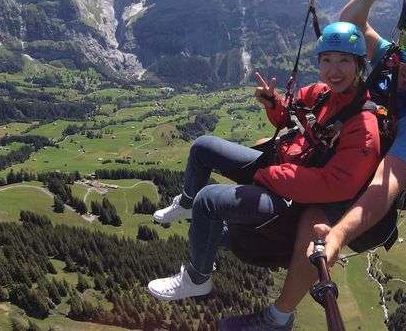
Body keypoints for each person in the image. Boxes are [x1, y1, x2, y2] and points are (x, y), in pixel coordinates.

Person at [220, 0, 406, 330]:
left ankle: (278, 318)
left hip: (365, 186)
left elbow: (384, 186)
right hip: (347, 153)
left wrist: (338, 235)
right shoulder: (391, 61)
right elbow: (352, 24)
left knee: (314, 221)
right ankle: (242, 230)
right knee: (266, 148)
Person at [146, 22, 382, 320]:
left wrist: (273, 176)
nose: (333, 70)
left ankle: (197, 278)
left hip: (291, 199)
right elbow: (288, 115)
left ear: (359, 64)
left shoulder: (363, 126)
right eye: (327, 60)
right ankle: (186, 203)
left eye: (344, 61)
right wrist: (274, 104)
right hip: (281, 169)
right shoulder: (322, 94)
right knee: (202, 147)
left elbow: (338, 184)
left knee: (209, 200)